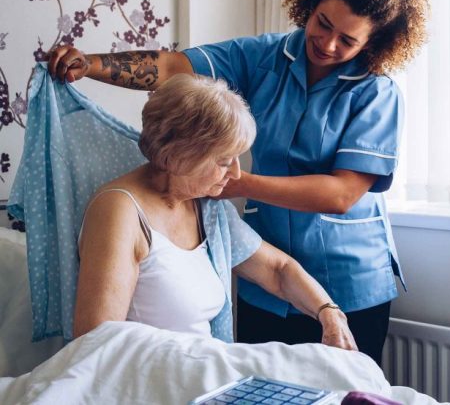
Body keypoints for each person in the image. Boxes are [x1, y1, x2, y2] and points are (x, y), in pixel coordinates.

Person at [51, 0, 429, 364]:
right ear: (313, 1)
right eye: (324, 23)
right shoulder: (262, 56)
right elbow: (175, 67)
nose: (327, 44)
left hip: (349, 281)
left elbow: (341, 194)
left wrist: (234, 181)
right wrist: (92, 65)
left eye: (348, 41)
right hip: (265, 282)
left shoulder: (376, 93)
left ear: (373, 44)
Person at [73, 73, 357, 352]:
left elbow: (278, 269)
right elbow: (96, 343)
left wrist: (329, 312)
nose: (235, 173)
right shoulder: (120, 212)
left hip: (200, 373)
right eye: (224, 161)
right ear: (178, 156)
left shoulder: (206, 208)